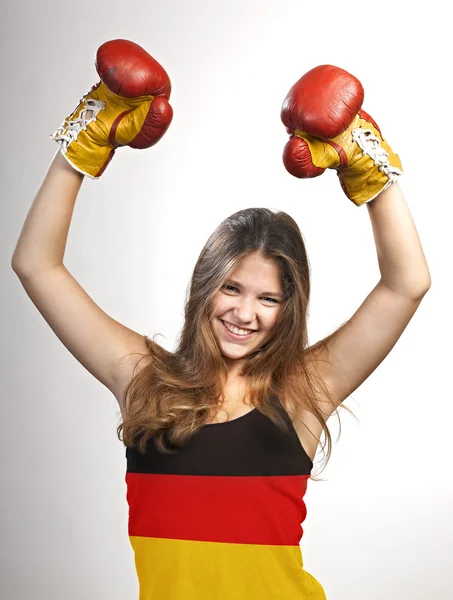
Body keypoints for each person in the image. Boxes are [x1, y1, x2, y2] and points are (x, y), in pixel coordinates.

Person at [11, 41, 431, 600]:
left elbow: (407, 284)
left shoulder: (302, 393)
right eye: (231, 288)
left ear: (288, 311)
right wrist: (82, 145)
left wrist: (369, 167)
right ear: (204, 289)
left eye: (268, 299)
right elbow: (36, 264)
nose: (244, 313)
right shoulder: (144, 381)